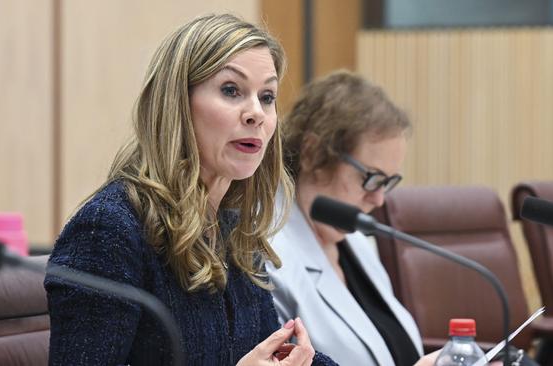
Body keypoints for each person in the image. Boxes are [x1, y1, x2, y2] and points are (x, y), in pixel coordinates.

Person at [44, 14, 336, 366]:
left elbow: (268, 352)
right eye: (232, 90)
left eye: (268, 96)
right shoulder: (108, 230)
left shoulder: (233, 229)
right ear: (178, 104)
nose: (256, 114)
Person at [268, 70, 430, 366]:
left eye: (388, 183)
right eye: (371, 178)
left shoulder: (356, 242)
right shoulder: (270, 253)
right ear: (312, 153)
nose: (379, 199)